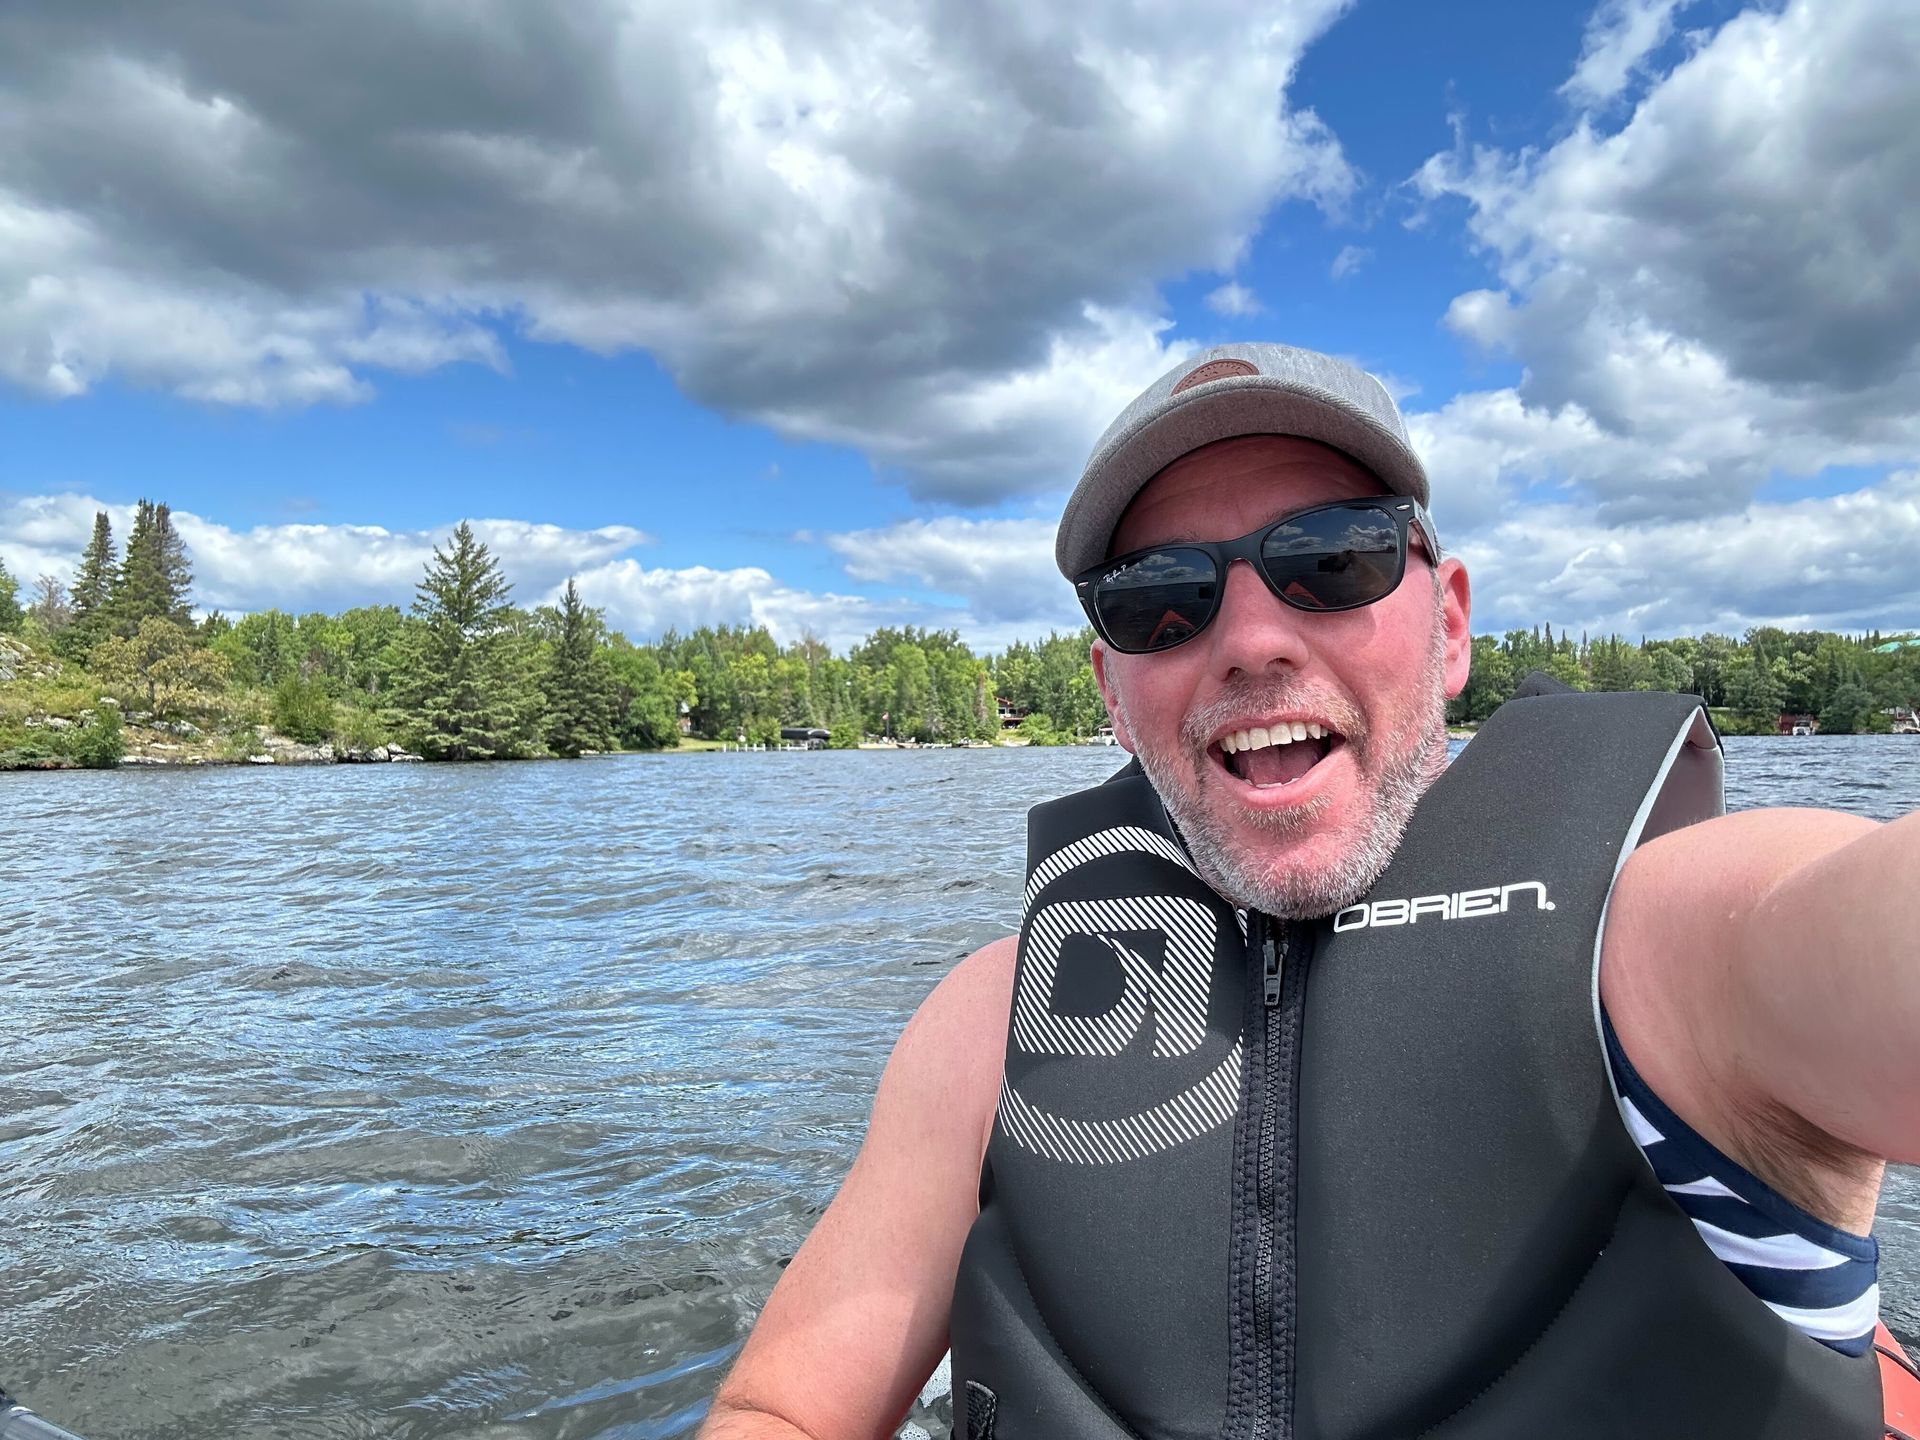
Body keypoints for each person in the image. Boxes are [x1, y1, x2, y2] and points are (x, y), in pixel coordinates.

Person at [699, 343, 1916, 1438]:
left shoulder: (1668, 946)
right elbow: (784, 1411)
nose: (1247, 639)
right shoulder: (987, 1030)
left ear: (1447, 627)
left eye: (1330, 559)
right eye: (1158, 598)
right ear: (1113, 690)